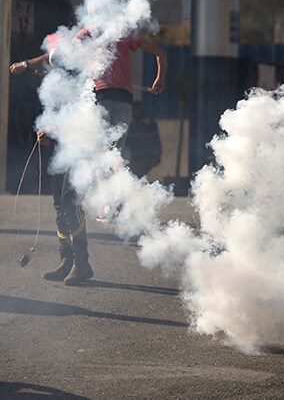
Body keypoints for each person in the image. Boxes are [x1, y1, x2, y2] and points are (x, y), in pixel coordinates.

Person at [9, 28, 168, 284]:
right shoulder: (68, 69)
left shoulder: (92, 78)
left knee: (70, 199)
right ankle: (67, 259)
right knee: (60, 204)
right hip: (63, 143)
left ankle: (81, 263)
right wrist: (50, 129)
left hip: (79, 143)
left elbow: (84, 113)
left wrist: (56, 127)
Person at [126, 101, 162, 177]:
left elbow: (156, 141)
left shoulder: (149, 123)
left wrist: (156, 157)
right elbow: (126, 142)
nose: (136, 111)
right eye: (134, 109)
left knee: (141, 178)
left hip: (147, 157)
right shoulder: (130, 124)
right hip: (135, 157)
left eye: (137, 109)